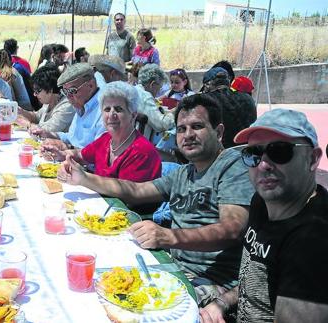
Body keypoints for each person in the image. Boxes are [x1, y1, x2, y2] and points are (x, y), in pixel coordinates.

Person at [58, 94, 255, 307]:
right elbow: (135, 190)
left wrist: (168, 236)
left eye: (197, 126)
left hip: (212, 282)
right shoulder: (184, 173)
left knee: (130, 304)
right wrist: (84, 178)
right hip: (174, 267)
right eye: (181, 129)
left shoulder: (232, 166)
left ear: (218, 132)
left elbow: (231, 230)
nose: (187, 135)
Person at [200, 109, 328, 323]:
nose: (263, 165)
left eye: (280, 151)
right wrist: (222, 302)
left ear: (312, 159)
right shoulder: (262, 201)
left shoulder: (314, 241)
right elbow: (257, 278)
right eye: (254, 154)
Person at [52, 81, 161, 184]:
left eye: (118, 109)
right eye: (107, 109)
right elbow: (81, 155)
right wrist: (60, 154)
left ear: (133, 115)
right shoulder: (106, 139)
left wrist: (85, 179)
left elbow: (126, 192)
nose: (111, 115)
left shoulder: (142, 152)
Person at [31, 63, 106, 150]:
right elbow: (72, 137)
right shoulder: (81, 105)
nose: (68, 97)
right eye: (65, 92)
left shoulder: (104, 110)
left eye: (72, 91)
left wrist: (67, 148)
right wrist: (49, 134)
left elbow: (99, 153)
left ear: (90, 85)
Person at [201, 66, 257, 149]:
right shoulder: (248, 98)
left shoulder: (205, 101)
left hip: (222, 154)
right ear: (228, 82)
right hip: (248, 151)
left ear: (207, 85)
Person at [16, 63, 75, 133]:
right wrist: (20, 111)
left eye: (37, 91)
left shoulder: (67, 106)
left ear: (50, 90)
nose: (34, 94)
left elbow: (48, 130)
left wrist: (27, 124)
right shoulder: (49, 101)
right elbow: (37, 117)